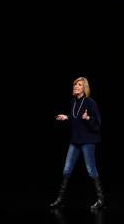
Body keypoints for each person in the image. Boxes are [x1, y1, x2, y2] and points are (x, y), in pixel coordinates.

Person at [50, 77, 105, 209]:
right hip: (75, 141)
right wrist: (67, 117)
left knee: (91, 170)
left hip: (88, 141)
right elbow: (75, 118)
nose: (75, 87)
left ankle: (101, 200)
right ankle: (60, 200)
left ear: (84, 88)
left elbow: (98, 124)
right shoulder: (73, 101)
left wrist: (88, 118)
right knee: (66, 170)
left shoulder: (90, 102)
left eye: (79, 85)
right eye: (75, 85)